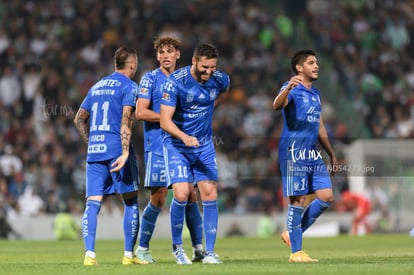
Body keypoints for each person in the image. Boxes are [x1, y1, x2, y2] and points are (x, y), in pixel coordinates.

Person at [135, 36, 205, 263]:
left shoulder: (185, 79)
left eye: (170, 51)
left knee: (191, 194)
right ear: (157, 56)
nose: (165, 55)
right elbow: (141, 112)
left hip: (181, 145)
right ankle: (143, 249)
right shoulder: (149, 79)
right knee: (158, 197)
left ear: (178, 55)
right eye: (161, 52)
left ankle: (198, 248)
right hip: (156, 145)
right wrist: (167, 117)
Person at [73, 46, 145, 266]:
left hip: (95, 152)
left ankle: (89, 255)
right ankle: (128, 255)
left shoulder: (96, 87)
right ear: (132, 65)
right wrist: (124, 152)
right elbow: (126, 120)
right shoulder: (130, 87)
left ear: (116, 64)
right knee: (131, 203)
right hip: (117, 150)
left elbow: (78, 119)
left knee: (92, 204)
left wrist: (93, 142)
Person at [160, 43, 230, 264]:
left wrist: (211, 105)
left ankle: (209, 252)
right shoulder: (175, 82)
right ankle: (177, 248)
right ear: (194, 61)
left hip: (204, 146)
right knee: (182, 194)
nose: (208, 72)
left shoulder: (220, 79)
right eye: (204, 67)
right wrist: (184, 137)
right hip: (177, 145)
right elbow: (164, 121)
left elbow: (222, 92)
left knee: (210, 193)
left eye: (212, 67)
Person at [272, 49, 338, 263]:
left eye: (317, 62)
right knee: (298, 199)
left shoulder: (316, 93)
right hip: (293, 151)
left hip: (311, 152)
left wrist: (331, 154)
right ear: (300, 68)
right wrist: (287, 89)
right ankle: (296, 253)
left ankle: (291, 234)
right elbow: (276, 105)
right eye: (311, 62)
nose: (316, 66)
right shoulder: (292, 87)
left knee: (326, 196)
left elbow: (319, 126)